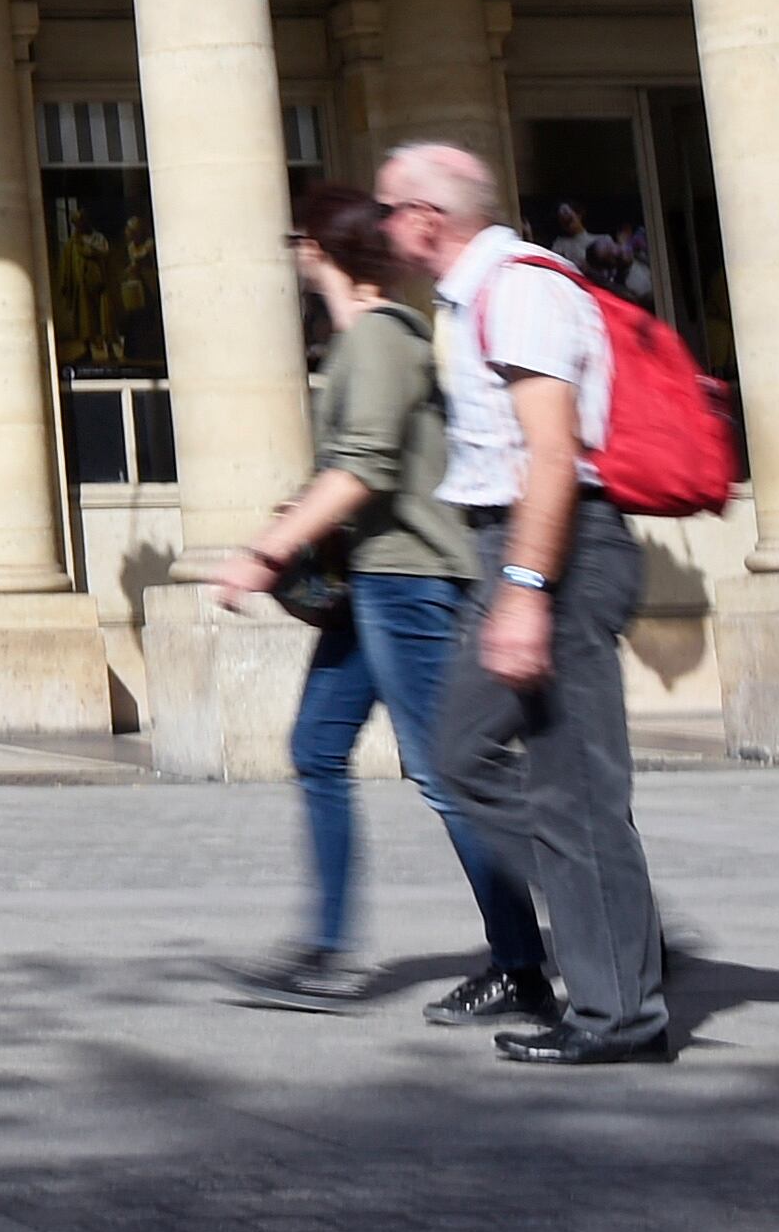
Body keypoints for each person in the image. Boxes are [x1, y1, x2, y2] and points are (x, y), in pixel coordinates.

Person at [212, 186, 542, 1011]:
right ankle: (324, 948)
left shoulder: (383, 340)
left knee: (447, 773)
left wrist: (265, 554)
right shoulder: (362, 342)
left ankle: (531, 958)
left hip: (409, 580)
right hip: (371, 583)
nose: (295, 252)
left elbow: (364, 468)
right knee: (319, 747)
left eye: (300, 237)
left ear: (323, 247)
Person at [381, 137, 672, 1065]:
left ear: (429, 216)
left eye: (392, 209)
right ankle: (614, 935)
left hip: (560, 545)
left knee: (574, 785)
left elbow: (552, 458)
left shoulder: (521, 288)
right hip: (514, 542)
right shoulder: (472, 296)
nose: (386, 227)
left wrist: (524, 592)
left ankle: (619, 1008)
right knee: (463, 754)